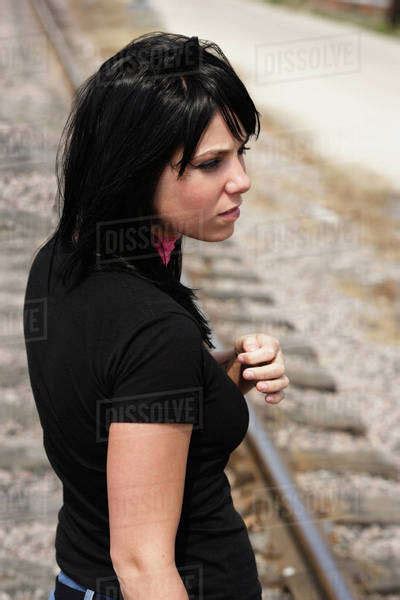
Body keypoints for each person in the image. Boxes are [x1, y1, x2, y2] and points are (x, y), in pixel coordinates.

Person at [23, 32, 289, 600]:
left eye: (241, 153)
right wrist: (177, 357)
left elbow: (115, 395)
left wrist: (223, 372)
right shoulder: (152, 332)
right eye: (210, 163)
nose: (240, 180)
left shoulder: (62, 259)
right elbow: (143, 564)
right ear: (136, 170)